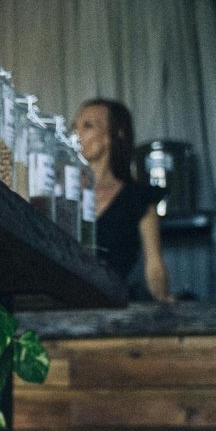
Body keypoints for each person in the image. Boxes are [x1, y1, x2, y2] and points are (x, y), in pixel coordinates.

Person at [74, 98, 172, 301]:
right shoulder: (60, 193)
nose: (76, 134)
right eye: (74, 126)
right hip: (61, 303)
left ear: (113, 135)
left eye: (88, 126)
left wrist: (165, 301)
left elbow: (154, 265)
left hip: (113, 304)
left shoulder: (137, 198)